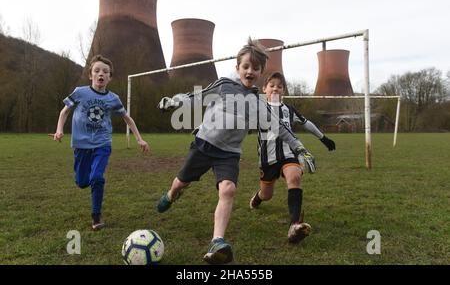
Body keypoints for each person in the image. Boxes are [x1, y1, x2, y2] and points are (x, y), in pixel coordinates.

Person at [156, 38, 314, 264]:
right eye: (246, 66)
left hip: (229, 154)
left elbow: (279, 127)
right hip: (203, 146)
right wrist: (174, 101)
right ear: (237, 68)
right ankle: (171, 196)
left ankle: (217, 241)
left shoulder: (258, 103)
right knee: (181, 183)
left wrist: (299, 147)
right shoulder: (223, 85)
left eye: (256, 68)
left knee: (228, 190)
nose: (250, 71)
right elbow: (196, 97)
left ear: (260, 72)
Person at [49, 55, 149, 231]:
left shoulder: (113, 99)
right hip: (81, 145)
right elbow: (64, 112)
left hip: (102, 144)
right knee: (81, 182)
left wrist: (139, 139)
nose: (101, 74)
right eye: (97, 71)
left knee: (97, 177)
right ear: (90, 75)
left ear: (109, 77)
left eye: (105, 72)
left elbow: (128, 119)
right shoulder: (80, 92)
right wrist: (59, 130)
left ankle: (96, 216)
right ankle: (88, 182)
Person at [249, 71, 336, 243]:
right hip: (268, 159)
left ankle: (295, 225)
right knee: (267, 194)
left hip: (289, 153)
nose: (275, 88)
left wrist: (323, 138)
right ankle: (258, 198)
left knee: (294, 177)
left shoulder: (288, 110)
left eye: (279, 86)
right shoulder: (257, 109)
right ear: (264, 89)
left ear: (283, 91)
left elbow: (307, 123)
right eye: (272, 85)